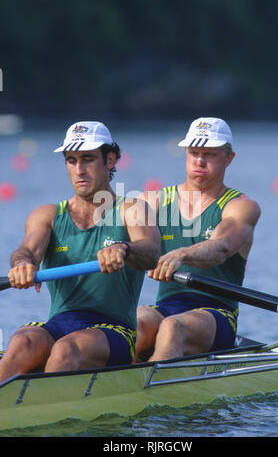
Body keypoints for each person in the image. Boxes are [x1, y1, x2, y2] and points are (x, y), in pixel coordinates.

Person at [0, 121, 160, 383]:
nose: (79, 170)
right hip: (60, 325)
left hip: (114, 332)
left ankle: (42, 412)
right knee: (22, 341)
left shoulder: (131, 209)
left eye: (87, 159)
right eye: (71, 160)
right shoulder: (48, 215)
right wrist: (23, 264)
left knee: (66, 350)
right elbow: (27, 250)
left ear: (110, 160)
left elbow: (151, 251)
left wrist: (124, 248)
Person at [134, 117, 261, 362]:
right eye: (194, 153)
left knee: (173, 327)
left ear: (229, 158)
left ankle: (148, 392)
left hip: (216, 315)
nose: (200, 161)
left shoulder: (241, 207)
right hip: (166, 306)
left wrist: (181, 254)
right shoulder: (154, 201)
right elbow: (112, 237)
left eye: (210, 154)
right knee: (135, 322)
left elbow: (220, 248)